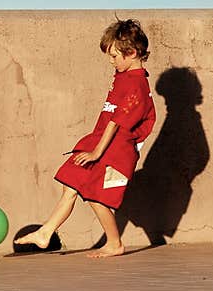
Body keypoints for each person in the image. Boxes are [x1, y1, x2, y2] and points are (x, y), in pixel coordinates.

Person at [15, 18, 157, 258]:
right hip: (101, 141)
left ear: (131, 52)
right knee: (71, 183)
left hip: (115, 149)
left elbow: (117, 122)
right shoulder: (124, 75)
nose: (111, 61)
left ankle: (114, 243)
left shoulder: (137, 86)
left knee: (96, 196)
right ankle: (45, 232)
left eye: (114, 56)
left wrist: (96, 153)